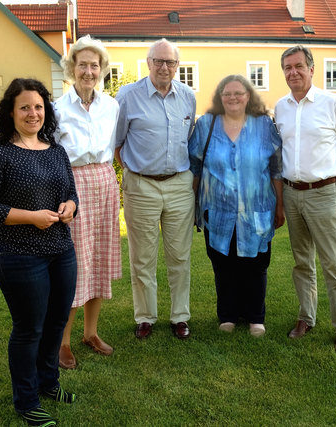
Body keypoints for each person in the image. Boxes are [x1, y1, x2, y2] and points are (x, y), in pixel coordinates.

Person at [0, 78, 79, 426]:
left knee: (56, 323)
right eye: (25, 107)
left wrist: (69, 207)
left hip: (61, 249)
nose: (33, 113)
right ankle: (26, 400)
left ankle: (49, 384)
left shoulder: (56, 150)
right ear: (11, 112)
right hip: (18, 253)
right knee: (29, 327)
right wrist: (31, 218)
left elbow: (72, 193)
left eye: (38, 107)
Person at [274, 45, 336, 352]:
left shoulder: (332, 104)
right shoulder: (280, 107)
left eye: (298, 66)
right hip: (293, 193)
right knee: (302, 263)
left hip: (324, 193)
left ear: (312, 69)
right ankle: (306, 317)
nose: (293, 72)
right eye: (287, 68)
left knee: (331, 264)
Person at [189, 75, 283, 337]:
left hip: (257, 210)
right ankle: (227, 316)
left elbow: (276, 169)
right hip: (217, 212)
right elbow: (195, 167)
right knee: (223, 264)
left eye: (238, 93)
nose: (233, 98)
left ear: (248, 96)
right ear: (220, 97)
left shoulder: (264, 125)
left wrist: (280, 207)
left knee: (256, 265)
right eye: (227, 93)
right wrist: (192, 204)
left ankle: (256, 317)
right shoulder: (206, 125)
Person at [115, 38, 196, 340]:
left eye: (170, 62)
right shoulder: (128, 96)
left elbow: (187, 138)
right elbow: (117, 141)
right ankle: (145, 317)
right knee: (142, 257)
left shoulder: (188, 96)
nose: (164, 67)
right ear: (148, 63)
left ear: (177, 66)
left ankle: (180, 317)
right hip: (141, 186)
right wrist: (133, 172)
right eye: (158, 61)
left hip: (178, 185)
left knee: (180, 256)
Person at [53, 35, 121, 369]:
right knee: (75, 262)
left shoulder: (112, 106)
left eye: (95, 65)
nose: (89, 71)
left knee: (100, 258)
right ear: (72, 68)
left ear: (102, 70)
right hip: (74, 182)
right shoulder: (57, 109)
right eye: (83, 65)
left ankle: (90, 333)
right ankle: (63, 342)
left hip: (105, 181)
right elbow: (51, 155)